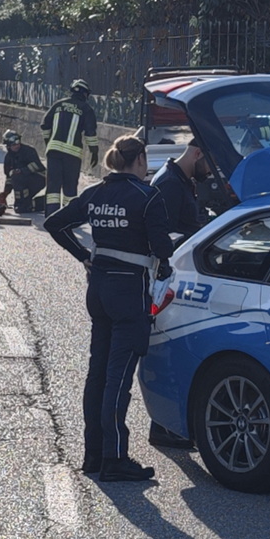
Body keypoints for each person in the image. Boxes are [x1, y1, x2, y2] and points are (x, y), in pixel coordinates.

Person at [43, 135, 172, 483]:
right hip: (129, 291)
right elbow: (162, 248)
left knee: (97, 373)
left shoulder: (96, 194)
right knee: (118, 377)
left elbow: (55, 224)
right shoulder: (148, 197)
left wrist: (85, 256)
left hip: (98, 288)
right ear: (141, 160)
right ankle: (115, 457)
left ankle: (94, 455)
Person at [142, 139, 212, 450]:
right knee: (169, 349)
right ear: (197, 154)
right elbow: (164, 236)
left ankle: (168, 425)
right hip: (172, 277)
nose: (210, 172)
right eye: (208, 164)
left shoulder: (181, 180)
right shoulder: (170, 184)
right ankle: (163, 426)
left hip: (180, 274)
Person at [39, 79, 99, 213]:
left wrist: (49, 143)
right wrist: (94, 151)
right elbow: (90, 133)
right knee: (70, 187)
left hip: (53, 152)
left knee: (53, 186)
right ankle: (67, 215)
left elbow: (44, 126)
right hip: (72, 154)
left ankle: (51, 215)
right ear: (85, 94)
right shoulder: (86, 109)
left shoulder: (58, 104)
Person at [0, 130, 47, 214]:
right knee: (20, 208)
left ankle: (24, 203)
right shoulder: (8, 158)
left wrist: (22, 171)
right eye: (14, 144)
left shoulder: (28, 151)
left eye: (18, 142)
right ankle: (45, 202)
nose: (17, 145)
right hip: (22, 181)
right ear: (8, 146)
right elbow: (9, 177)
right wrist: (5, 193)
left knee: (17, 176)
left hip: (39, 179)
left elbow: (37, 166)